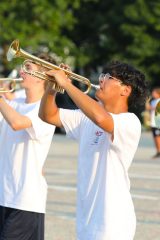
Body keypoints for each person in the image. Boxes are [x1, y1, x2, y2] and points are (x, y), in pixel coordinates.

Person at [39, 60, 149, 240]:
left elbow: (101, 119)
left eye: (109, 77)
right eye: (102, 75)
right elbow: (47, 115)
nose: (101, 79)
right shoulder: (85, 117)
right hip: (86, 220)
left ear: (125, 90)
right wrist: (52, 89)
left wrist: (67, 83)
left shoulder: (130, 122)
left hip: (113, 222)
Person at [0, 53, 57, 240]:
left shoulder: (45, 110)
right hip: (4, 194)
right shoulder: (14, 103)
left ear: (43, 78)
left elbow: (17, 123)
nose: (22, 72)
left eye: (29, 69)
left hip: (26, 200)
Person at [145, 87, 160, 158]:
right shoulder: (154, 101)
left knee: (157, 137)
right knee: (155, 137)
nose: (152, 94)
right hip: (153, 122)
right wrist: (147, 102)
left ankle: (159, 151)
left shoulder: (159, 101)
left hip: (158, 123)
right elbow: (148, 108)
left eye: (154, 93)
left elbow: (155, 109)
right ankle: (158, 151)